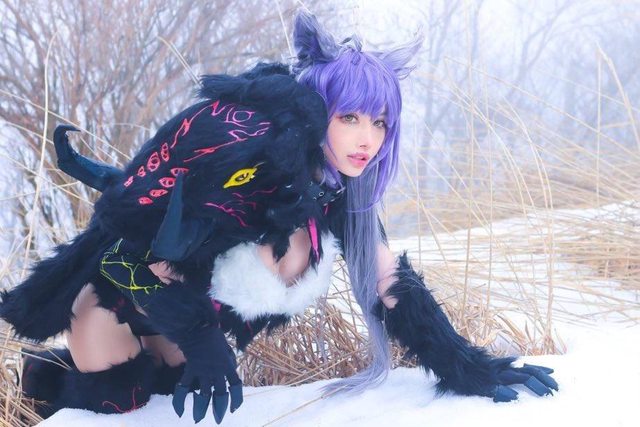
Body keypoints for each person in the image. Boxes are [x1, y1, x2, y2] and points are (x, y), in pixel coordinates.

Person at [1, 9, 557, 425]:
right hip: (112, 308)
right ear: (319, 111)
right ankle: (43, 385)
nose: (367, 139)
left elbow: (389, 282)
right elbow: (124, 263)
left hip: (174, 327)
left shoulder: (337, 192)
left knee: (170, 400)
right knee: (118, 403)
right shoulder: (249, 170)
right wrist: (204, 340)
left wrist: (467, 367)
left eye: (380, 122)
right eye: (350, 117)